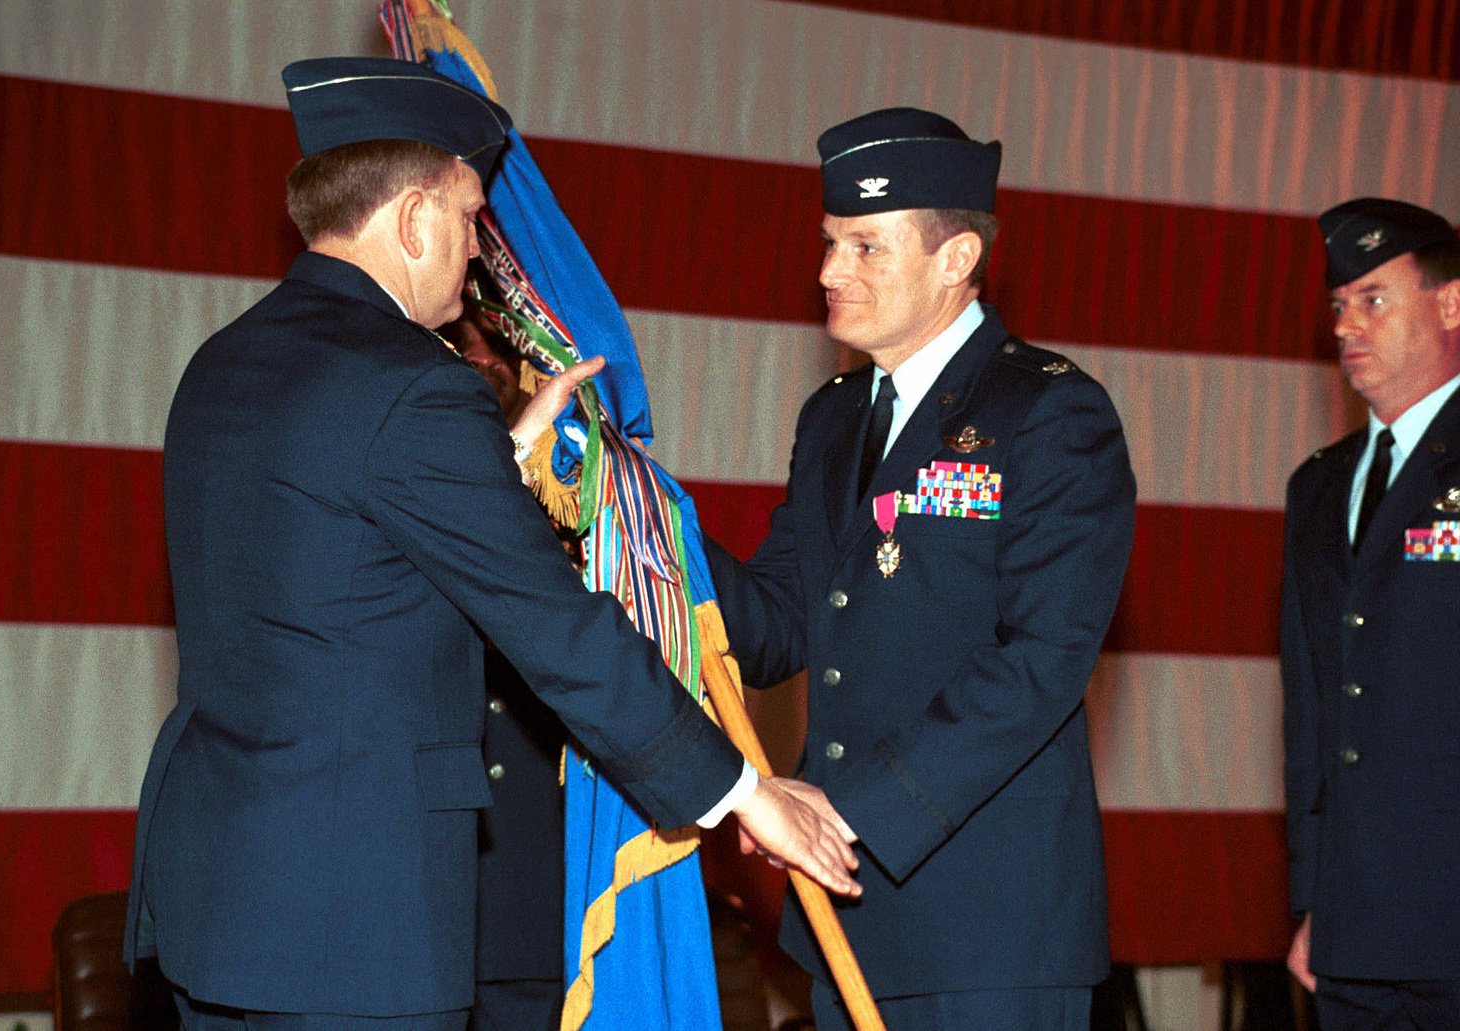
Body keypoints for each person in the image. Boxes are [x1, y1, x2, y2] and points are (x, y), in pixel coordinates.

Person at [124, 57, 860, 1031]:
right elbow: (554, 626)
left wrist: (496, 469)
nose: (476, 254)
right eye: (472, 218)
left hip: (219, 899)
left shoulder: (225, 363)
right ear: (416, 215)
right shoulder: (414, 386)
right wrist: (737, 788)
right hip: (352, 920)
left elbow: (336, 566)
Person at [705, 107, 1136, 1030]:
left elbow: (1042, 661)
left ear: (956, 260)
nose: (829, 270)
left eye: (865, 246)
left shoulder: (1049, 415)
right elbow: (783, 619)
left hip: (988, 929)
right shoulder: (832, 418)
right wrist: (650, 524)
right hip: (847, 916)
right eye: (829, 243)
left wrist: (844, 809)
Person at [1281, 197, 1460, 1030]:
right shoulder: (1318, 485)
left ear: (1450, 303)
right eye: (1338, 304)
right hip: (1357, 923)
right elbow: (1314, 711)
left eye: (1374, 299)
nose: (1347, 323)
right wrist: (1317, 898)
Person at [444, 294, 566, 1031]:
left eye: (490, 345)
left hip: (526, 883)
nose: (479, 357)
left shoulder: (565, 489)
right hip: (418, 895)